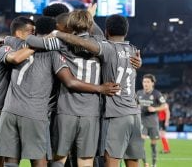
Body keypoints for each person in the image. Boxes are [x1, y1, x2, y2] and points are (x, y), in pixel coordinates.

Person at [0, 16, 120, 167]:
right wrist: (100, 88)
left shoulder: (15, 43)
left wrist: (2, 40)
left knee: (10, 162)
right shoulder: (54, 52)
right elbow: (69, 81)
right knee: (40, 161)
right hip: (35, 113)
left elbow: (3, 39)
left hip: (9, 111)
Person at [38, 12, 143, 167]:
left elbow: (82, 44)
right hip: (126, 113)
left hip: (109, 114)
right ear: (126, 32)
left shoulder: (103, 47)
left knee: (61, 158)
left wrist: (56, 33)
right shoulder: (133, 50)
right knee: (97, 160)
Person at [0, 16, 37, 167]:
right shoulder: (6, 49)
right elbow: (16, 58)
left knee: (5, 161)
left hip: (12, 111)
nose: (34, 36)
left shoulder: (27, 52)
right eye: (31, 32)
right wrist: (39, 44)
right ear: (18, 33)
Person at [136, 74, 168, 167]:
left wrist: (155, 109)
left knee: (153, 144)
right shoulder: (139, 93)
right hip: (142, 122)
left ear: (152, 83)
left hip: (153, 123)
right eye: (144, 82)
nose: (145, 84)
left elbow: (165, 105)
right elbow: (135, 104)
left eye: (147, 82)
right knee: (140, 142)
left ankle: (154, 164)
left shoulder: (156, 94)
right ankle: (145, 163)